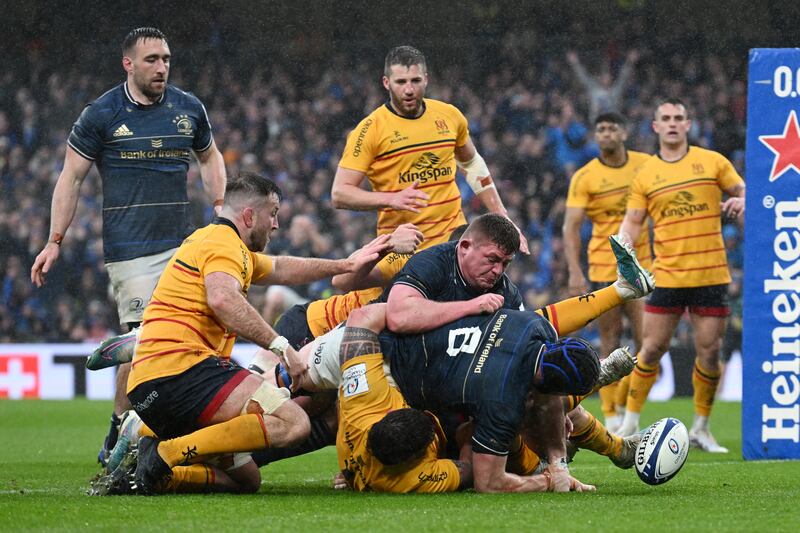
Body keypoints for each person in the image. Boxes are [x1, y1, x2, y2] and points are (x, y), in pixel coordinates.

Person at [93, 172, 390, 495]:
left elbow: (281, 268)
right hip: (184, 372)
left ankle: (150, 466)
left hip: (156, 388)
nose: (276, 224)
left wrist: (345, 266)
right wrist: (281, 347)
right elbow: (222, 298)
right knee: (295, 424)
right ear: (249, 215)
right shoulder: (224, 245)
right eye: (273, 214)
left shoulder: (216, 243)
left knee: (246, 480)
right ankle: (166, 452)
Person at [29, 27, 227, 466]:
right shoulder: (101, 114)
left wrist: (219, 206)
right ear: (129, 64)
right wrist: (54, 239)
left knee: (195, 336)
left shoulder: (188, 108)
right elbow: (71, 178)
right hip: (131, 249)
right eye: (153, 60)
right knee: (143, 340)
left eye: (167, 59)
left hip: (185, 245)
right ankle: (120, 426)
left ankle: (182, 429)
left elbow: (210, 157)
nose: (162, 68)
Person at [334, 303, 595, 493]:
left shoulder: (363, 404)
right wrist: (548, 479)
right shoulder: (412, 477)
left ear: (389, 414)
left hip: (406, 359)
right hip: (442, 369)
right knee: (493, 431)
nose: (429, 416)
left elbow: (362, 315)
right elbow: (485, 480)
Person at [331, 44, 529, 276]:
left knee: (498, 304)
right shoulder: (369, 130)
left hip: (456, 245)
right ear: (386, 83)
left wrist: (503, 217)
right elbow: (340, 194)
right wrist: (391, 198)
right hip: (404, 253)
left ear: (426, 79)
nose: (408, 89)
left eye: (415, 81)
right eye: (400, 82)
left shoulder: (449, 115)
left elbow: (471, 163)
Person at [615, 98, 745, 453]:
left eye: (678, 118)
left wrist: (742, 201)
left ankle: (701, 428)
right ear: (655, 127)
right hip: (668, 276)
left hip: (710, 273)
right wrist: (624, 250)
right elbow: (633, 221)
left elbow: (744, 191)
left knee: (710, 351)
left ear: (688, 125)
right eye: (665, 119)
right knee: (652, 348)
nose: (672, 124)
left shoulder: (713, 162)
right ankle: (629, 422)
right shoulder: (646, 175)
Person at [563, 112, 651, 431]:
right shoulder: (585, 177)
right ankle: (612, 415)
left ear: (624, 133)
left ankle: (629, 410)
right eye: (600, 129)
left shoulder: (646, 165)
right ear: (595, 136)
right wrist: (575, 270)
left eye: (612, 128)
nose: (606, 134)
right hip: (603, 265)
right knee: (610, 340)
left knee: (646, 341)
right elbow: (571, 227)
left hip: (643, 266)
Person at [566, 50, 638, 122]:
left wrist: (630, 62)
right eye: (604, 77)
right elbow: (583, 77)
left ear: (611, 79)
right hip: (596, 122)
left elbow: (623, 77)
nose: (606, 79)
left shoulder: (616, 90)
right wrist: (575, 63)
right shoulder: (593, 89)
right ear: (600, 78)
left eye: (608, 77)